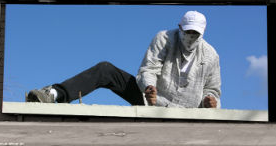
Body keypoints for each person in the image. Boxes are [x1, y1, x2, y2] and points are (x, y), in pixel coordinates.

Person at [25, 11, 221, 108]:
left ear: (202, 34)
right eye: (188, 32)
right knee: (105, 69)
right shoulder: (165, 38)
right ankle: (52, 94)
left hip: (187, 112)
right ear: (180, 28)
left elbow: (213, 90)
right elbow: (148, 69)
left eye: (196, 34)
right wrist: (148, 88)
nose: (191, 37)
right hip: (151, 100)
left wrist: (209, 102)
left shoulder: (211, 55)